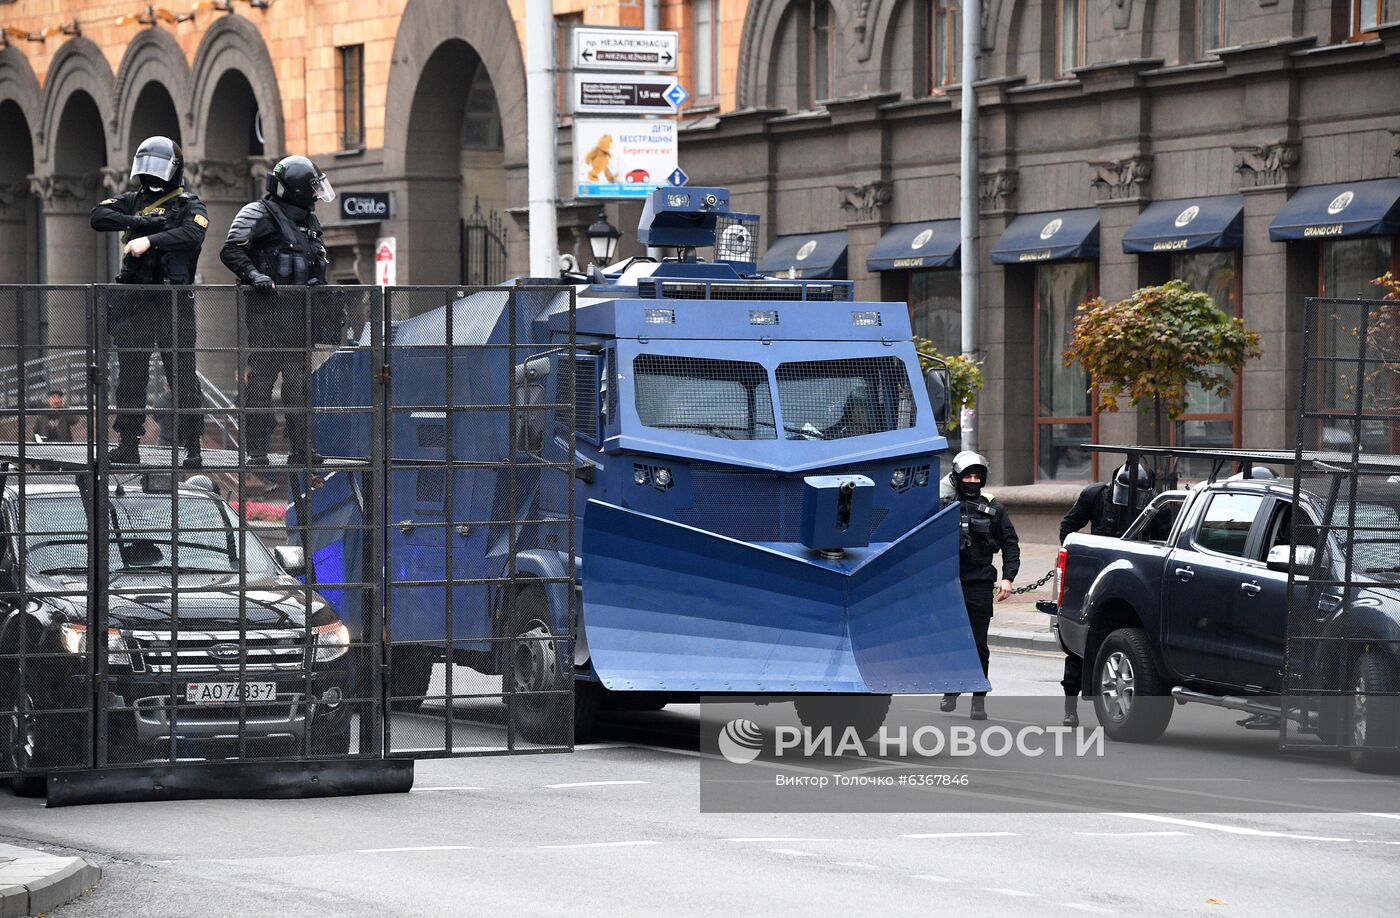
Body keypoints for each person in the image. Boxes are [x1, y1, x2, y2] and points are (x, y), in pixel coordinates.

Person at [90, 135, 208, 468]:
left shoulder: (189, 204)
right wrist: (138, 222)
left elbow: (193, 234)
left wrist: (150, 241)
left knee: (182, 376)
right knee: (130, 376)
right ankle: (129, 442)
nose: (152, 176)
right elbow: (98, 216)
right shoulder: (134, 200)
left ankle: (193, 446)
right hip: (136, 302)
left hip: (172, 301)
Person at [220, 155, 337, 466]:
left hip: (301, 316)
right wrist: (255, 275)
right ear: (297, 189)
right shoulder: (258, 213)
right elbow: (231, 249)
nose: (315, 195)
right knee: (260, 381)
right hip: (268, 315)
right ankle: (256, 451)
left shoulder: (308, 221)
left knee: (299, 384)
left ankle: (301, 449)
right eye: (311, 188)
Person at [1057, 462, 1154, 726]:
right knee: (1081, 644)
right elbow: (1068, 529)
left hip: (1132, 580)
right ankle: (1070, 706)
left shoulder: (1153, 503)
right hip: (1094, 575)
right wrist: (1079, 561)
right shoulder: (1096, 495)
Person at [938, 450, 1020, 720]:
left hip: (980, 583)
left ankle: (978, 699)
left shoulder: (994, 508)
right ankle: (951, 689)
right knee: (951, 641)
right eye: (967, 476)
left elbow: (1010, 544)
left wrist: (1008, 577)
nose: (972, 481)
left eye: (977, 476)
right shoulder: (944, 505)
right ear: (958, 478)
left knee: (978, 644)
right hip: (949, 584)